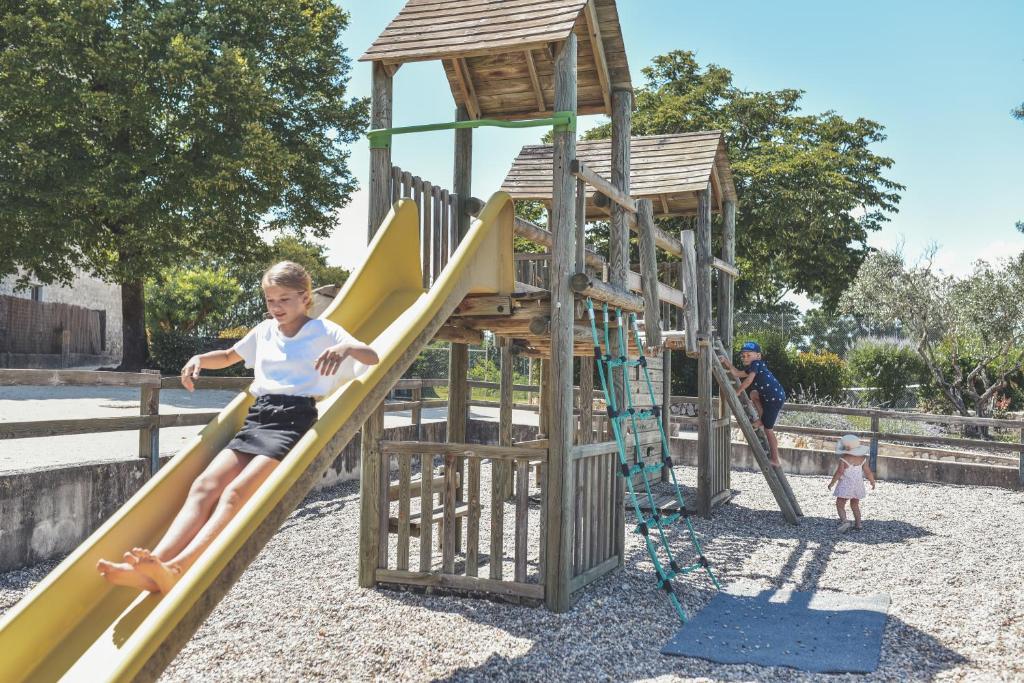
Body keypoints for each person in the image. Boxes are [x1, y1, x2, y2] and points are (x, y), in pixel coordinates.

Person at [97, 261, 379, 593]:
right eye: (270, 300)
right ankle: (151, 566)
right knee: (204, 486)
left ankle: (177, 568)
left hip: (293, 419)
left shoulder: (324, 331)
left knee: (234, 494)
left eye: (284, 299)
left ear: (305, 298)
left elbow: (371, 356)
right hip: (259, 416)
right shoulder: (265, 331)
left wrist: (345, 347)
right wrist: (200, 359)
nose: (276, 307)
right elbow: (230, 355)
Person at [719, 341, 786, 466]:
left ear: (758, 356)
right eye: (743, 356)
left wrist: (738, 391)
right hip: (770, 397)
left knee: (768, 430)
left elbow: (749, 380)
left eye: (748, 355)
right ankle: (761, 420)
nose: (745, 358)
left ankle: (775, 459)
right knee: (754, 394)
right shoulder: (753, 367)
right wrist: (725, 361)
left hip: (774, 399)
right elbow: (736, 373)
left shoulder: (756, 364)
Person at [827, 434, 877, 532]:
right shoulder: (862, 459)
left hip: (845, 485)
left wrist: (832, 483)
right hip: (857, 486)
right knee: (855, 505)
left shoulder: (844, 459)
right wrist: (872, 481)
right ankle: (858, 524)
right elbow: (868, 472)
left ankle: (845, 521)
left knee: (840, 504)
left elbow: (839, 472)